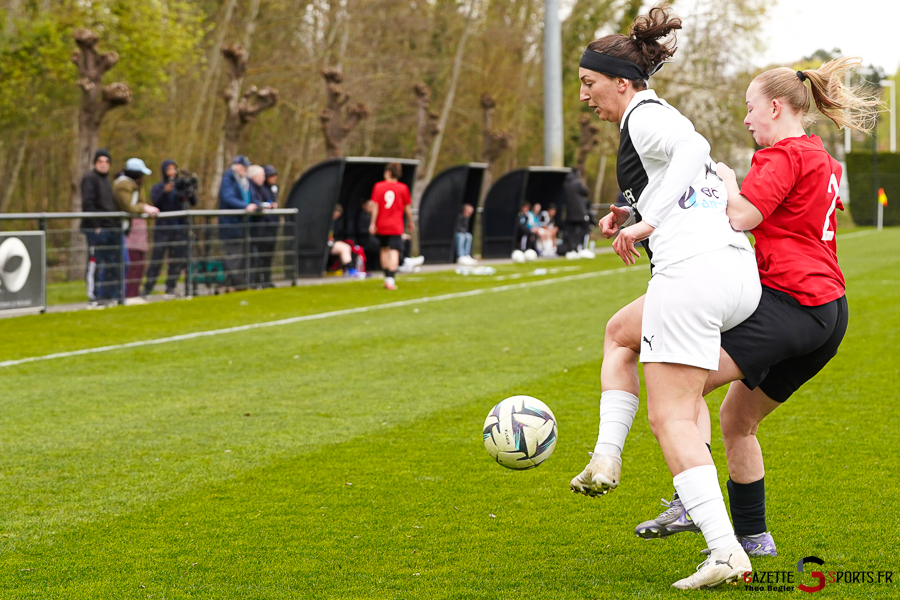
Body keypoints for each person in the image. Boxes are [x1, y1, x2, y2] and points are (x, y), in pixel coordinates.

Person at [624, 57, 875, 559]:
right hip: (829, 314)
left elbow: (741, 216)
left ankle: (688, 501)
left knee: (684, 384)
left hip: (793, 303)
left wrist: (726, 179)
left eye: (751, 108)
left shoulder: (781, 155)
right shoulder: (821, 155)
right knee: (737, 421)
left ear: (776, 107)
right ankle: (755, 538)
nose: (747, 119)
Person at [569, 7, 761, 588]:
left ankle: (727, 550)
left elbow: (690, 148)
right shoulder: (654, 118)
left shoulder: (647, 118)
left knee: (673, 417)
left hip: (693, 280)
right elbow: (690, 181)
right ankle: (605, 456)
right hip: (735, 277)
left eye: (588, 83)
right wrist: (629, 211)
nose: (584, 97)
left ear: (621, 84)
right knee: (619, 333)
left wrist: (645, 221)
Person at [143, 160, 196, 299]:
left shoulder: (180, 186)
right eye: (169, 169)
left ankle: (170, 287)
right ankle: (147, 288)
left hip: (179, 229)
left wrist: (190, 189)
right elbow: (156, 202)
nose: (172, 172)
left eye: (174, 169)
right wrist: (165, 192)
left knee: (177, 260)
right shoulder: (158, 187)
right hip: (163, 229)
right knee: (157, 259)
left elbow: (192, 201)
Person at [112, 158, 159, 304]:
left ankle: (133, 293)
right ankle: (127, 294)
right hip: (127, 229)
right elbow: (129, 207)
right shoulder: (123, 185)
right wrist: (143, 208)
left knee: (138, 262)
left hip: (134, 230)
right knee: (130, 262)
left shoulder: (134, 185)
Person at [80, 148, 120, 306]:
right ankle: (93, 295)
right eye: (100, 162)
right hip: (97, 229)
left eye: (106, 162)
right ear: (95, 163)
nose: (103, 165)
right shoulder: (90, 178)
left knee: (111, 262)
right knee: (95, 262)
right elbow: (88, 203)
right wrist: (95, 225)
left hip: (110, 228)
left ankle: (107, 295)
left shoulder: (106, 181)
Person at [368, 162, 412, 290]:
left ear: (388, 172)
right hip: (396, 225)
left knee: (384, 249)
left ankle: (386, 277)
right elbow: (407, 207)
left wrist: (372, 223)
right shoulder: (403, 188)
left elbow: (375, 207)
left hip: (381, 224)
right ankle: (391, 279)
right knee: (394, 251)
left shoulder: (378, 186)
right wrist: (411, 221)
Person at [218, 155, 257, 291]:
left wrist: (261, 205)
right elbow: (227, 197)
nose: (246, 169)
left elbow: (252, 197)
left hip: (243, 226)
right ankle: (231, 284)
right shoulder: (228, 178)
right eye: (244, 166)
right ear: (237, 166)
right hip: (231, 225)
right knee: (233, 256)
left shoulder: (244, 181)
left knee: (242, 256)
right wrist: (244, 206)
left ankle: (239, 284)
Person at [247, 164, 278, 288]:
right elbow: (258, 203)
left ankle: (266, 278)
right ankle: (257, 279)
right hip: (262, 228)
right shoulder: (258, 188)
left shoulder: (272, 189)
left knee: (268, 256)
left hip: (271, 226)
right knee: (259, 255)